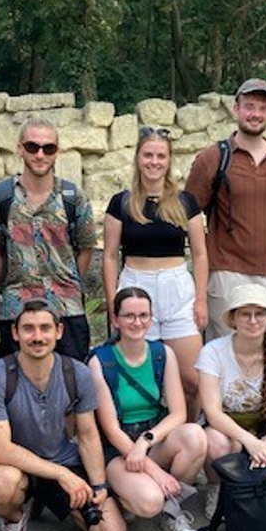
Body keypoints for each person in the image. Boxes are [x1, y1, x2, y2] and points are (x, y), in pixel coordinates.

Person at [0, 300, 126, 531]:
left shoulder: (76, 373)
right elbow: (0, 450)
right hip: (18, 466)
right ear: (15, 333)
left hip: (63, 459)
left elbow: (88, 434)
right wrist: (62, 475)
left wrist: (98, 485)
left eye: (45, 328)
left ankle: (46, 498)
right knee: (0, 485)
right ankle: (14, 520)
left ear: (58, 331)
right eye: (29, 329)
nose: (37, 337)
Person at [184, 79, 266, 350]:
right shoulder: (214, 158)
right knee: (227, 355)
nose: (256, 114)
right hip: (228, 270)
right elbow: (190, 212)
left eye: (263, 108)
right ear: (236, 108)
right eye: (250, 106)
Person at [89, 287, 207, 531]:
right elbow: (110, 430)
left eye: (144, 315)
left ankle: (172, 514)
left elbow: (178, 413)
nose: (137, 322)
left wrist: (145, 443)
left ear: (151, 318)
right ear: (115, 320)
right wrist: (156, 472)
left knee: (196, 436)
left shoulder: (162, 353)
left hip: (151, 438)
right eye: (129, 316)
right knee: (149, 501)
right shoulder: (101, 361)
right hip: (118, 449)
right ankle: (129, 494)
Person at [103, 127, 208, 420]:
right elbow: (110, 256)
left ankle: (188, 436)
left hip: (177, 289)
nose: (154, 161)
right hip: (136, 285)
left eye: (161, 156)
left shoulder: (186, 202)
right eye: (148, 154)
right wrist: (113, 301)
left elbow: (200, 253)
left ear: (169, 159)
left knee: (192, 380)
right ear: (138, 158)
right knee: (140, 375)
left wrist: (200, 299)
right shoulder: (121, 203)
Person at [0, 116, 97, 361]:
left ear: (57, 152)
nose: (40, 155)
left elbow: (87, 246)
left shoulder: (73, 197)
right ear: (20, 149)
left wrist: (67, 282)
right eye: (32, 147)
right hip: (17, 310)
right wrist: (9, 281)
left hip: (67, 310)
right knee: (17, 389)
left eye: (49, 148)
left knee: (72, 384)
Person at [196, 284, 266, 517]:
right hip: (225, 426)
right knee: (214, 441)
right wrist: (249, 442)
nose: (253, 320)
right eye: (245, 313)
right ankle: (219, 488)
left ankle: (265, 492)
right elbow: (212, 412)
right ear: (233, 318)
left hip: (264, 423)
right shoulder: (212, 352)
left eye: (260, 313)